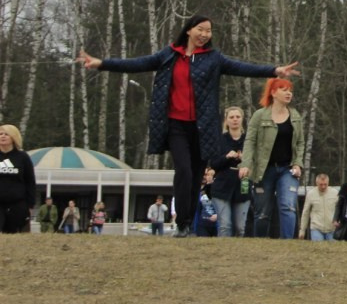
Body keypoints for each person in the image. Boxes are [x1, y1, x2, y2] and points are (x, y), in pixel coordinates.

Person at [76, 15, 299, 237]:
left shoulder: (213, 58)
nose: (204, 35)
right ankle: (182, 223)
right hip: (176, 125)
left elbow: (241, 68)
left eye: (209, 31)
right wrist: (102, 63)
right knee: (183, 170)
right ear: (189, 30)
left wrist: (273, 71)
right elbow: (139, 63)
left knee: (195, 175)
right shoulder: (170, 55)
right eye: (200, 29)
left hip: (203, 128)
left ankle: (187, 224)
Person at [240, 78, 305, 239]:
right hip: (264, 170)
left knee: (288, 207)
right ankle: (260, 244)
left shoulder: (295, 116)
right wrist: (246, 164)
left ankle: (288, 244)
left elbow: (301, 143)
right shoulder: (259, 115)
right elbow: (250, 141)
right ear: (274, 93)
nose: (289, 93)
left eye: (290, 90)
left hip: (287, 170)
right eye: (284, 90)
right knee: (262, 213)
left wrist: (298, 164)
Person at [207, 107, 251, 237]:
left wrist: (245, 160)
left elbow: (256, 161)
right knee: (225, 225)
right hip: (222, 186)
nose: (235, 120)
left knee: (240, 227)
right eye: (231, 117)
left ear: (242, 119)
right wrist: (226, 157)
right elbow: (213, 163)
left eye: (238, 117)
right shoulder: (219, 140)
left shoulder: (249, 140)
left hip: (242, 186)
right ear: (226, 120)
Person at [0, 124, 37, 234]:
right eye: (0, 134)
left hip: (17, 203)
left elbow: (30, 182)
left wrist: (30, 205)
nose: (3, 136)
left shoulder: (22, 157)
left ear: (13, 137)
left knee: (12, 233)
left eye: (6, 134)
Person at [297, 173, 340, 241]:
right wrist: (302, 230)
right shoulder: (311, 194)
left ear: (328, 183)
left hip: (332, 229)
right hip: (316, 229)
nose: (323, 187)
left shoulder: (335, 193)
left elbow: (340, 210)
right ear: (316, 183)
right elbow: (306, 213)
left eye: (325, 184)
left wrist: (339, 222)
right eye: (321, 184)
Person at [195, 171, 219, 236]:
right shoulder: (201, 192)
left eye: (211, 175)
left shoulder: (219, 192)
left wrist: (218, 216)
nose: (208, 177)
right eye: (207, 175)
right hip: (202, 224)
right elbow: (197, 209)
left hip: (216, 225)